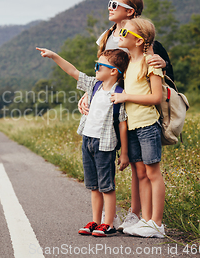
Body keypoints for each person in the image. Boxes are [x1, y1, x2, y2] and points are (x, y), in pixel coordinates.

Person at [79, 0, 174, 231]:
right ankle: (137, 217)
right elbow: (102, 72)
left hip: (135, 107)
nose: (109, 7)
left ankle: (138, 215)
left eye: (114, 3)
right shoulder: (108, 37)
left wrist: (161, 63)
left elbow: (156, 67)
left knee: (140, 167)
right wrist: (87, 94)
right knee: (133, 162)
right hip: (114, 108)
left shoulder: (140, 36)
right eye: (109, 3)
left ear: (130, 11)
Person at [36, 46, 130, 237]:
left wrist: (125, 153)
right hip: (87, 140)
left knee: (107, 186)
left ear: (113, 71)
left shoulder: (118, 93)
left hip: (105, 145)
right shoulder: (93, 85)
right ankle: (95, 221)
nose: (95, 69)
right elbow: (73, 71)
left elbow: (122, 124)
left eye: (99, 66)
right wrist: (54, 56)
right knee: (93, 186)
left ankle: (108, 224)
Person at [110, 17, 166, 238]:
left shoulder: (149, 62)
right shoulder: (130, 63)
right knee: (140, 173)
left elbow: (156, 97)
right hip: (132, 126)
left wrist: (126, 96)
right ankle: (145, 219)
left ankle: (157, 224)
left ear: (138, 40)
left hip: (147, 124)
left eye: (125, 33)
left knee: (153, 173)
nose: (120, 35)